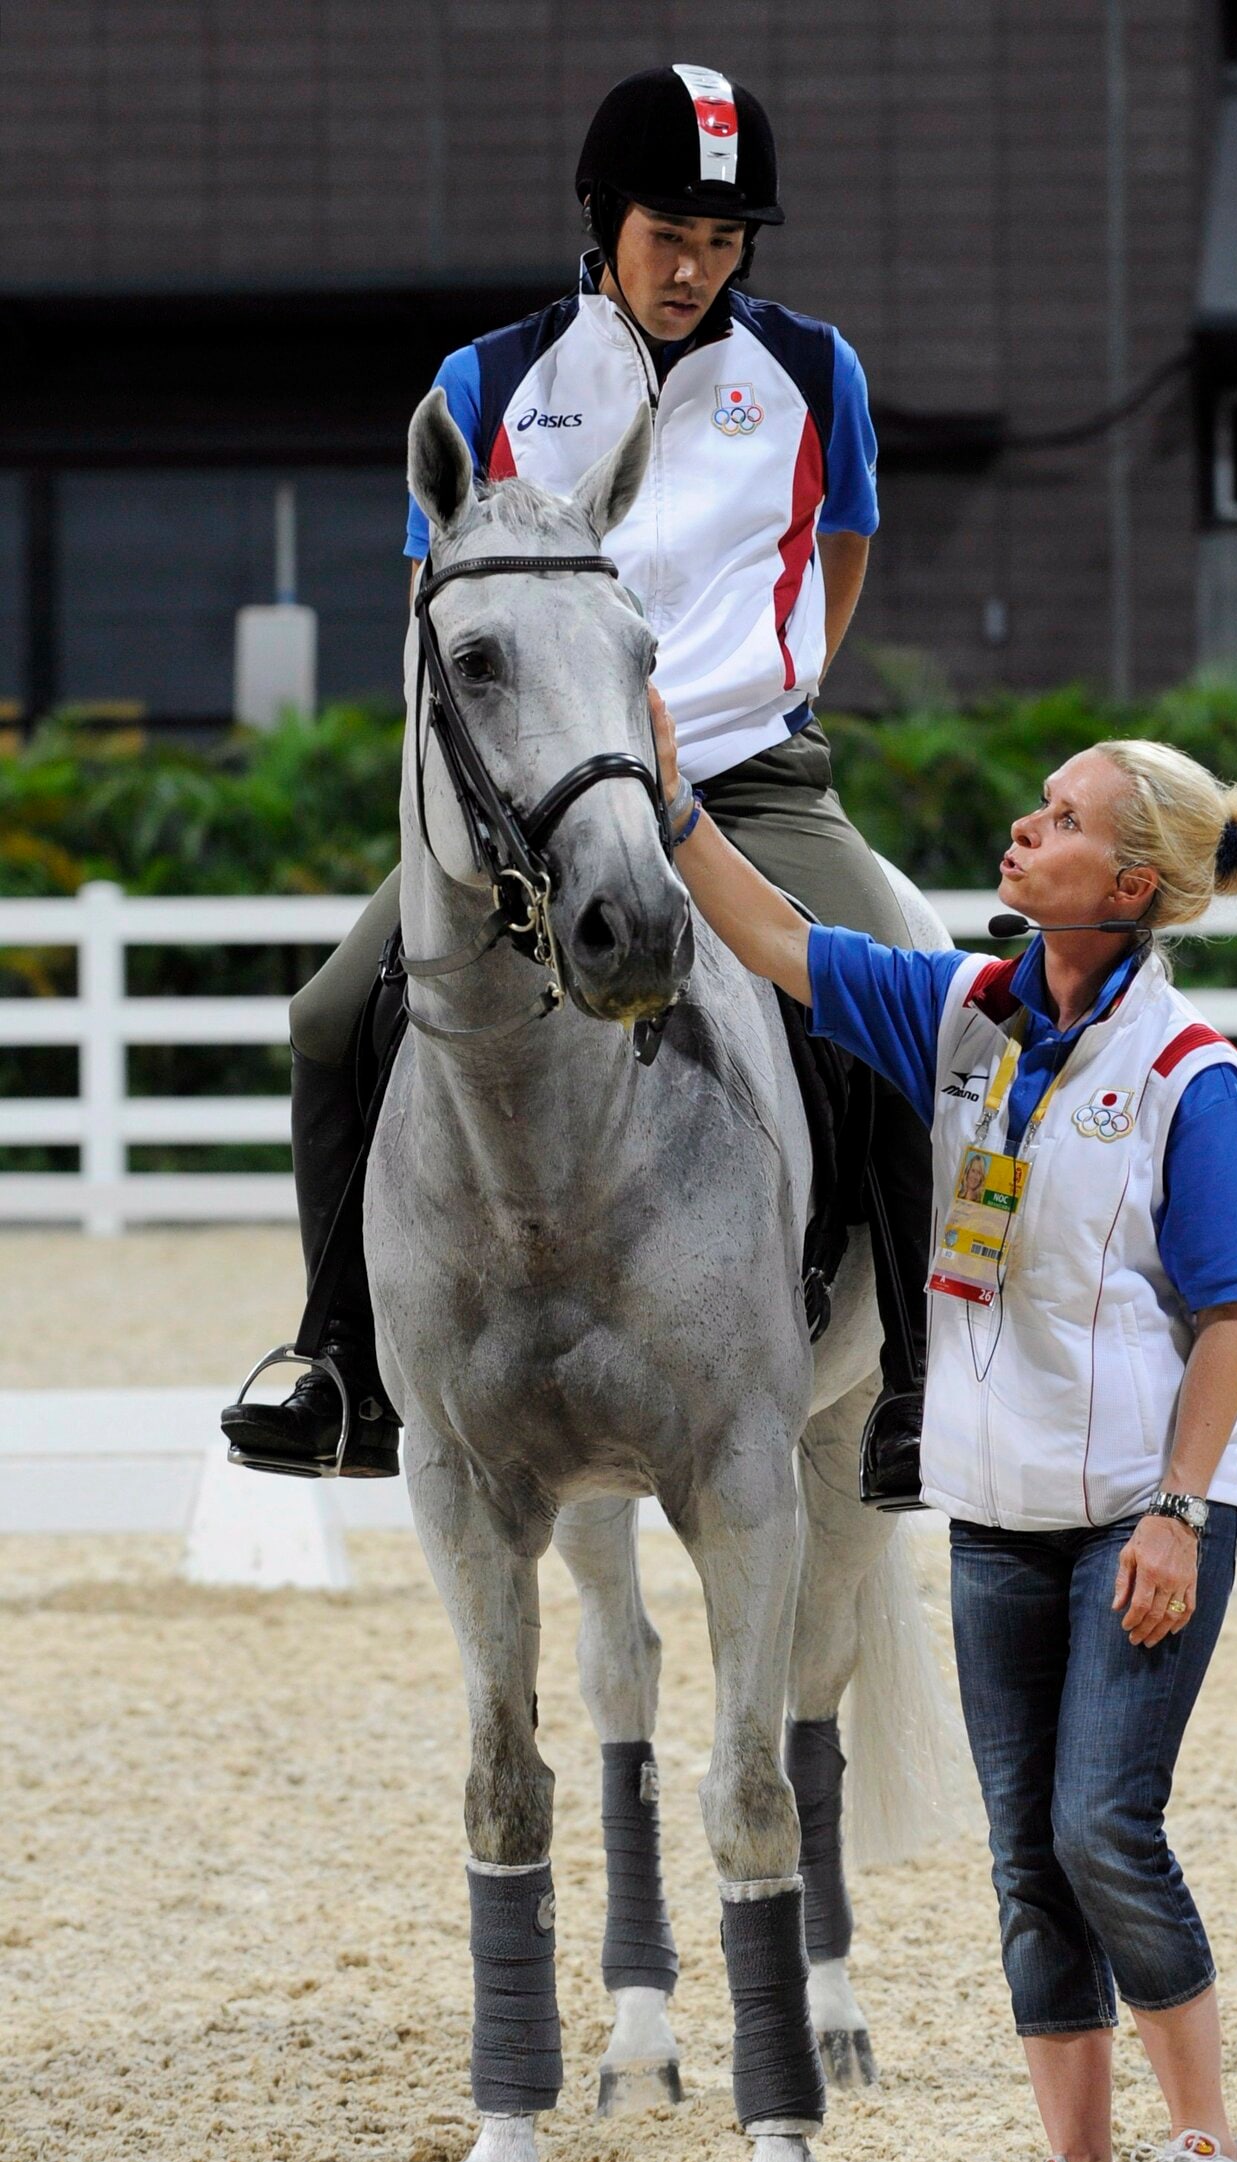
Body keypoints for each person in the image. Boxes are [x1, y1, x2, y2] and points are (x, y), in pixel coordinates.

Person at [221, 61, 932, 1503]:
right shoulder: (491, 382)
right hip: (541, 802)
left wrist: (761, 691)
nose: (694, 269)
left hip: (748, 784)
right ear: (603, 220)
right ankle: (343, 1359)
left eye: (723, 242)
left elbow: (839, 555)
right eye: (669, 235)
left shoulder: (817, 374)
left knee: (891, 989)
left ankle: (919, 1380)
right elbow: (442, 617)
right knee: (331, 1015)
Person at [652, 685, 1237, 2162]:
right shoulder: (963, 1013)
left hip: (1140, 1519)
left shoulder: (1191, 1076)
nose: (1023, 828)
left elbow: (1228, 1315)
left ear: (1128, 883)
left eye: (1059, 819)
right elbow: (777, 940)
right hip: (996, 1517)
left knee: (1103, 1830)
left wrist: (1179, 1512)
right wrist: (667, 800)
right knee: (1028, 1864)